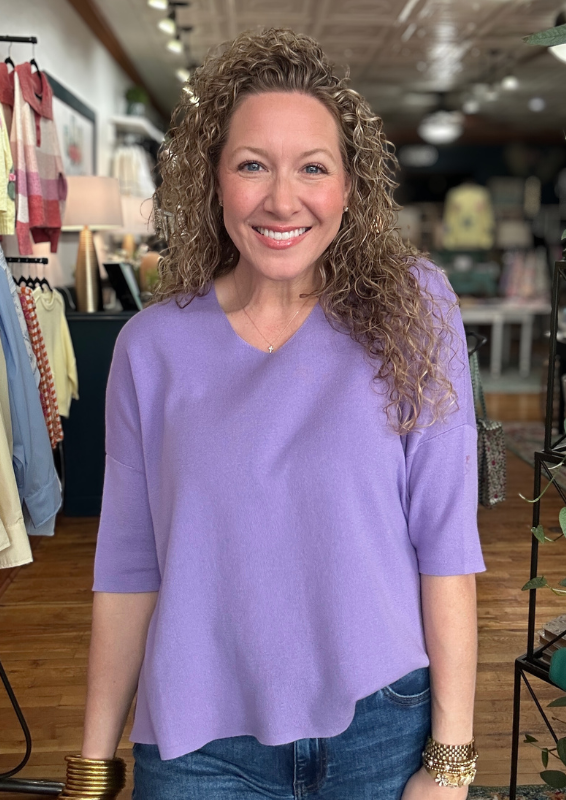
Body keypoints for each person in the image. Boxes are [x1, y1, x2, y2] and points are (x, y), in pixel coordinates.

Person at [60, 28, 485, 800]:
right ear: (213, 182)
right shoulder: (150, 349)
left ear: (349, 188)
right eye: (252, 164)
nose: (281, 199)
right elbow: (127, 568)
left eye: (312, 168)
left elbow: (446, 543)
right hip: (198, 748)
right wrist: (90, 771)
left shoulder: (414, 310)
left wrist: (450, 761)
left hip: (382, 724)